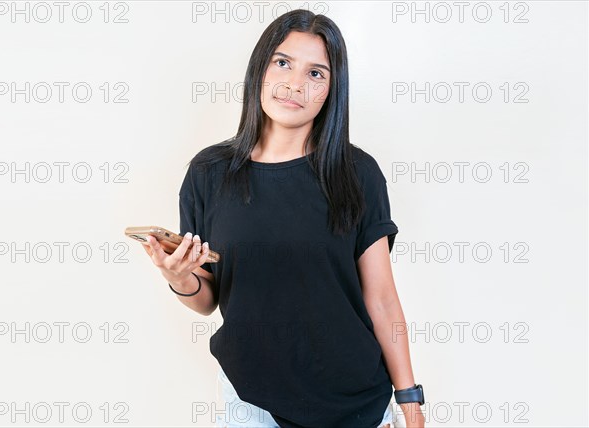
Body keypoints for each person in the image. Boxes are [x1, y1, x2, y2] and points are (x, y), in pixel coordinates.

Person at [141, 9, 425, 428]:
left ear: (332, 89)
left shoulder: (357, 173)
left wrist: (411, 404)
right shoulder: (209, 173)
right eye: (283, 63)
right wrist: (179, 277)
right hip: (253, 401)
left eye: (316, 74)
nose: (295, 84)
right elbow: (208, 299)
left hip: (357, 401)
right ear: (260, 68)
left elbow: (381, 299)